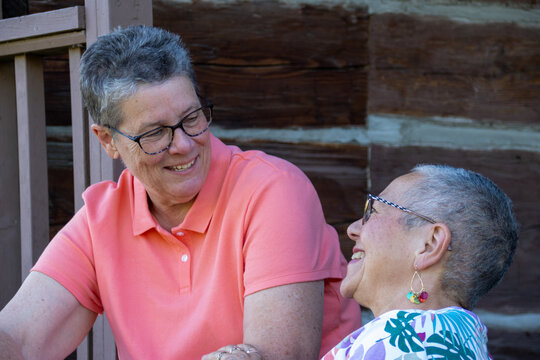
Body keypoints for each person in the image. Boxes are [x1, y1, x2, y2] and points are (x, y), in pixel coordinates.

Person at [0, 25, 361, 360]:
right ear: (108, 141)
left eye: (192, 118)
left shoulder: (273, 190)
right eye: (155, 133)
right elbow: (20, 340)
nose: (185, 145)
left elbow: (272, 355)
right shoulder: (102, 220)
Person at [322, 164, 519, 359]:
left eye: (373, 211)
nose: (352, 230)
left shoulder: (402, 347)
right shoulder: (455, 343)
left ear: (429, 244)